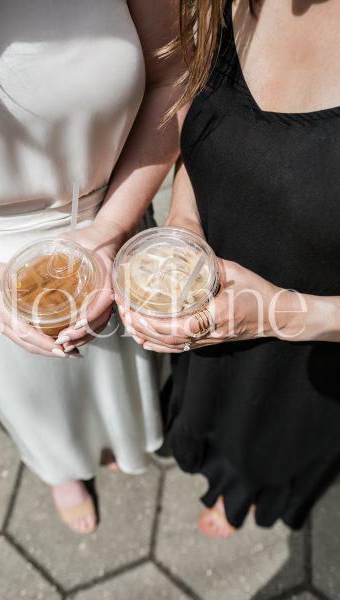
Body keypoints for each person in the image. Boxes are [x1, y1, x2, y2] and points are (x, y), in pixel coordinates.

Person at [0, 0, 185, 534]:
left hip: (112, 217)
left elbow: (174, 75)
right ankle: (59, 465)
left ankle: (130, 436)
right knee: (30, 393)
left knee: (128, 368)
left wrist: (109, 230)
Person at [119, 0, 340, 538]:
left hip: (315, 352)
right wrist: (184, 222)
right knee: (213, 415)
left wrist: (280, 315)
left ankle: (250, 494)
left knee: (274, 445)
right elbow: (214, 123)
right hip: (216, 310)